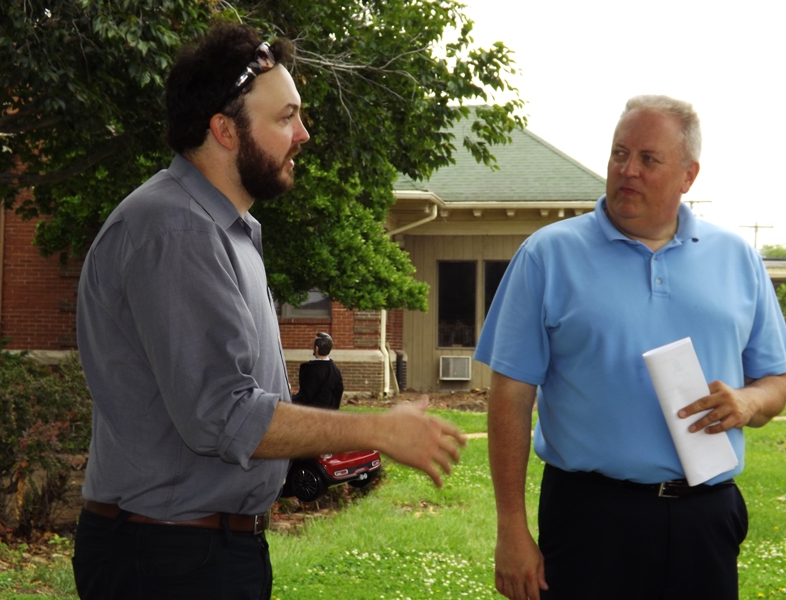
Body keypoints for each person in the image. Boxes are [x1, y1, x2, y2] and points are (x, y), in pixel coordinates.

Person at [72, 22, 466, 600]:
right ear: (225, 130)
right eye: (285, 118)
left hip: (199, 551)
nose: (303, 134)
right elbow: (223, 415)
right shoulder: (176, 229)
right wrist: (377, 431)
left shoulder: (227, 230)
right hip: (167, 560)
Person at [474, 94, 786, 600]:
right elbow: (510, 395)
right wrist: (511, 526)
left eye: (648, 159)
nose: (628, 170)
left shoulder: (738, 260)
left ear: (688, 176)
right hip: (588, 520)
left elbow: (777, 380)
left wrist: (748, 402)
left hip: (705, 519)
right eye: (619, 153)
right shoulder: (548, 255)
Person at [291, 332, 344, 410]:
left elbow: (305, 396)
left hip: (311, 412)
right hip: (329, 413)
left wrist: (289, 399)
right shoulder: (335, 370)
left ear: (316, 348)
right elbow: (338, 393)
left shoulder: (309, 368)